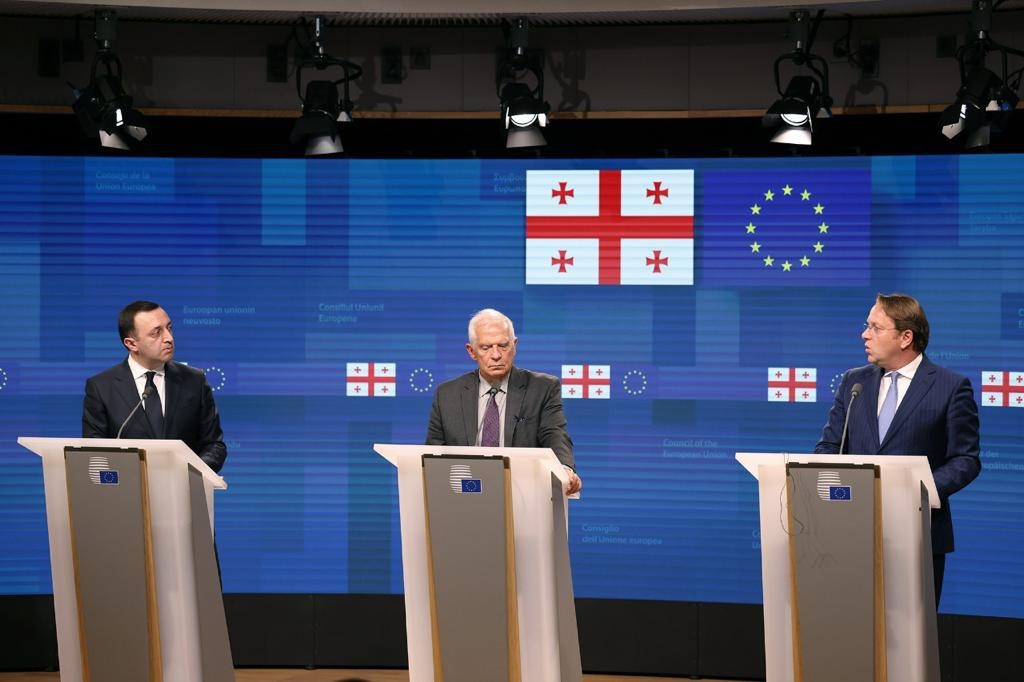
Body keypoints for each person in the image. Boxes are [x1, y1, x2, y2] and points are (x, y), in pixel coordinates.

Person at [815, 293, 980, 604]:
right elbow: (829, 447)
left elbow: (965, 459)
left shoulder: (950, 387)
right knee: (853, 623)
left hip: (918, 534)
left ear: (906, 337)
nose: (865, 335)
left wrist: (917, 492)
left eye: (876, 328)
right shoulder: (854, 383)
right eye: (867, 326)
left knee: (909, 631)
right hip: (851, 532)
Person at [426, 308, 582, 495]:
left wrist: (564, 469)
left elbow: (555, 434)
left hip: (523, 495)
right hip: (463, 495)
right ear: (471, 351)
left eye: (503, 345)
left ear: (514, 346)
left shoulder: (543, 388)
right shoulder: (447, 395)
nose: (496, 355)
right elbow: (433, 455)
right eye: (486, 347)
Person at [82, 300, 227, 473]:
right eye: (156, 333)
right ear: (131, 343)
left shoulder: (195, 380)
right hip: (128, 487)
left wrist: (192, 473)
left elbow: (214, 445)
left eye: (169, 328)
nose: (169, 338)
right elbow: (95, 454)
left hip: (184, 487)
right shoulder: (101, 387)